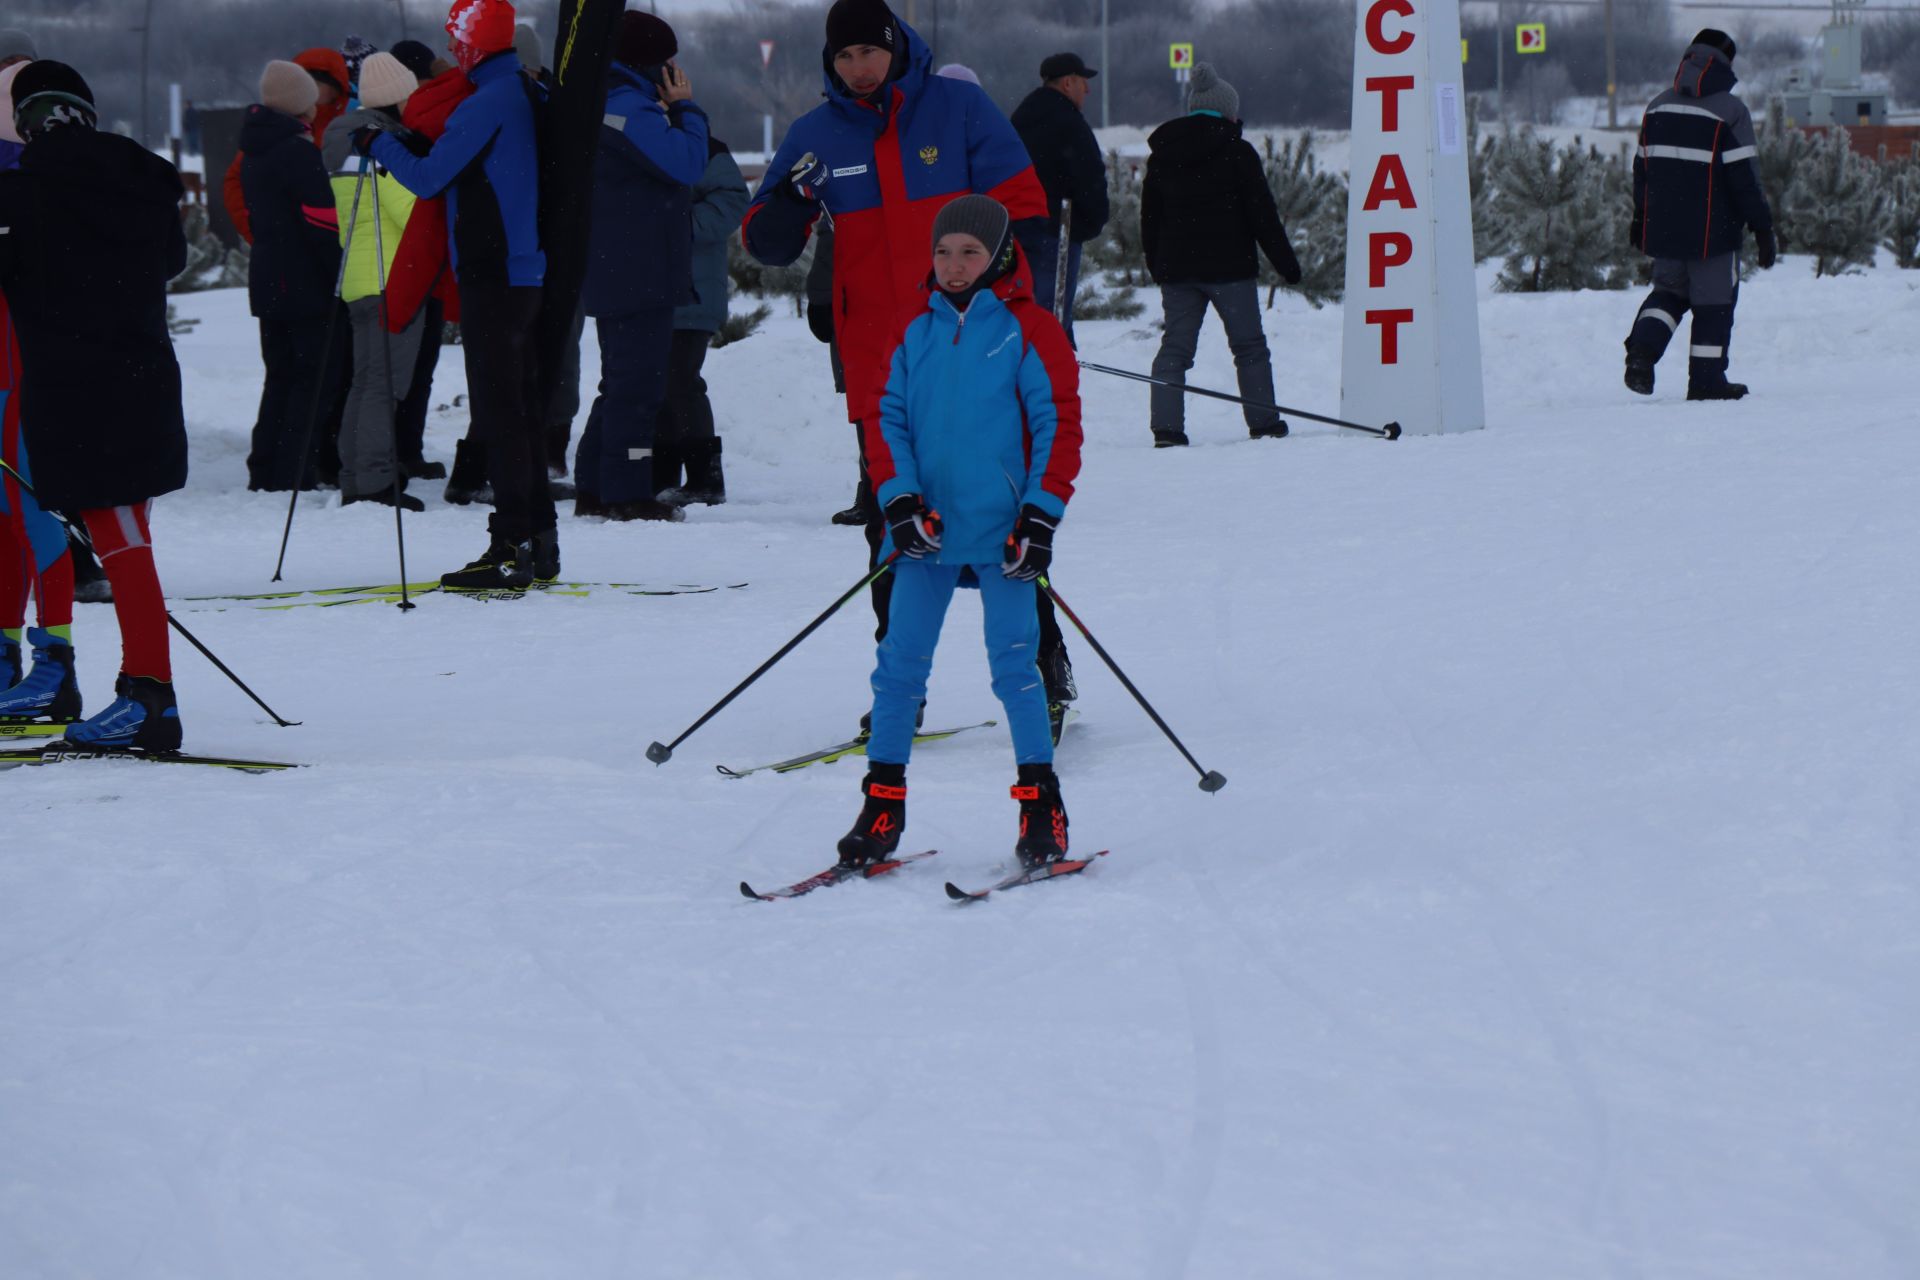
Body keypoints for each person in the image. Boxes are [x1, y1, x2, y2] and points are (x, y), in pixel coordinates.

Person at [742, 0, 1079, 728]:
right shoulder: (815, 137)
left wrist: (1008, 316)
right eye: (843, 57)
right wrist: (793, 197)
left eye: (869, 52)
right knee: (893, 529)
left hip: (978, 359)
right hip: (883, 368)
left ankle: (1044, 671)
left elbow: (1023, 212)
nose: (858, 68)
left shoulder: (957, 108)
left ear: (896, 48)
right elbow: (765, 242)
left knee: (1000, 523)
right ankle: (901, 692)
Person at [836, 195, 1083, 870]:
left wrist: (1040, 514)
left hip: (1003, 532)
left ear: (999, 254)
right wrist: (898, 500)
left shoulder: (1030, 330)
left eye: (969, 252)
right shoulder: (911, 326)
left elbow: (1059, 427)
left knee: (1017, 670)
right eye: (943, 251)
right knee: (898, 671)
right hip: (924, 533)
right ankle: (882, 807)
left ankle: (1041, 808)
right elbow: (886, 421)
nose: (952, 265)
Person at [0, 61, 190, 751]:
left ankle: (150, 699)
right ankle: (143, 690)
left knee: (123, 547)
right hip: (142, 377)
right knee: (127, 541)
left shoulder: (21, 194)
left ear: (27, 122)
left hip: (77, 389)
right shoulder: (141, 180)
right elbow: (169, 260)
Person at [367, 0, 555, 588]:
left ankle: (512, 548)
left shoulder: (488, 100)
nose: (451, 52)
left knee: (502, 415)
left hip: (493, 273)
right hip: (520, 270)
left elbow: (428, 178)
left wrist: (378, 144)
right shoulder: (520, 90)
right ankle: (536, 544)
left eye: (456, 42)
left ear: (474, 45)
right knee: (520, 411)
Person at [575, 11, 709, 522]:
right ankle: (626, 492)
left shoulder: (603, 99)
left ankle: (596, 485)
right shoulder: (629, 107)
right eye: (667, 60)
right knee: (638, 388)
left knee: (622, 384)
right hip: (639, 269)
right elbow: (687, 164)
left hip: (621, 265)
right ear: (653, 62)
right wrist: (688, 110)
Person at [1141, 63, 1300, 448]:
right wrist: (1287, 266)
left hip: (1178, 270)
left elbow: (1149, 218)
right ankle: (1263, 422)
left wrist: (1157, 264)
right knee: (1248, 347)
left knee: (1175, 349)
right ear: (1228, 111)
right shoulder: (1238, 153)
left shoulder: (1163, 154)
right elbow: (1263, 215)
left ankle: (1167, 429)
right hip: (1230, 269)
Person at [1623, 29, 1775, 401]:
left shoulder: (1657, 106)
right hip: (1713, 232)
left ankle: (1642, 353)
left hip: (1664, 228)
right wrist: (1762, 226)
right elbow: (1744, 180)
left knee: (1669, 295)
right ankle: (1706, 380)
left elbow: (1642, 170)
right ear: (1726, 63)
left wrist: (1641, 217)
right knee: (1714, 302)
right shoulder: (1730, 112)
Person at [0, 54, 78, 727]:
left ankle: (54, 660)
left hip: (26, 367)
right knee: (7, 518)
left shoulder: (32, 172)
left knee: (31, 514)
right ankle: (10, 657)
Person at [323, 52, 424, 510]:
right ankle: (376, 483)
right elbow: (411, 214)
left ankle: (355, 477)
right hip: (391, 280)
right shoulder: (380, 147)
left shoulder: (340, 140)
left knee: (364, 383)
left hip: (358, 278)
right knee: (383, 387)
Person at [240, 59, 347, 492]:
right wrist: (339, 275)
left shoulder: (255, 150)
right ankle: (291, 471)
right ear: (302, 106)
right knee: (311, 381)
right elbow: (323, 223)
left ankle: (266, 466)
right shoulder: (298, 152)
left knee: (280, 377)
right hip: (305, 285)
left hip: (269, 280)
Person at [655, 128, 748, 506]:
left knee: (680, 381)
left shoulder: (703, 145)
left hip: (693, 290)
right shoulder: (642, 135)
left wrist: (676, 224)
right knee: (657, 384)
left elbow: (732, 199)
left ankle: (704, 479)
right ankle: (660, 476)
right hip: (652, 290)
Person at [1010, 51, 1109, 343]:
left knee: (1023, 315)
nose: (1087, 90)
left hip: (1015, 232)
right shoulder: (1069, 123)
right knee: (1051, 321)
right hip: (1058, 234)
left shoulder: (1020, 118)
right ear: (1067, 83)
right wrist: (1088, 224)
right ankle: (1051, 378)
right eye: (1082, 82)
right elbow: (1090, 178)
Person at [222, 48, 351, 245]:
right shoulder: (272, 134)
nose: (314, 91)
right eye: (309, 83)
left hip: (338, 247)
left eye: (318, 84)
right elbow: (236, 184)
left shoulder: (346, 127)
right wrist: (259, 235)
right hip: (293, 251)